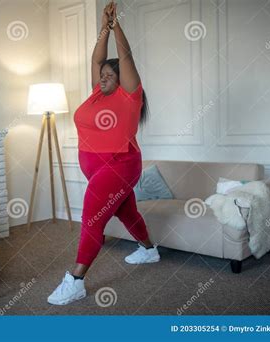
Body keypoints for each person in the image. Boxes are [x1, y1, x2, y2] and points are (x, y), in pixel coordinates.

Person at [47, 1, 160, 306]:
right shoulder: (97, 93)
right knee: (127, 212)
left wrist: (116, 25)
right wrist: (102, 28)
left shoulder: (129, 96)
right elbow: (98, 58)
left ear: (123, 77)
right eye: (103, 74)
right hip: (97, 168)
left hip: (121, 165)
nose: (105, 77)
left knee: (92, 218)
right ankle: (149, 250)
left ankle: (76, 281)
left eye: (112, 74)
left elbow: (126, 57)